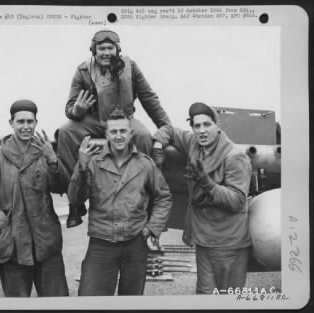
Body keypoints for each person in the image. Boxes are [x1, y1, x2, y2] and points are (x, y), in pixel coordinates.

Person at [56, 29, 171, 228]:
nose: (106, 52)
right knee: (65, 132)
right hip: (93, 119)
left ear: (117, 50)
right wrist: (77, 111)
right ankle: (74, 200)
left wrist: (165, 125)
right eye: (101, 48)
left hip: (123, 118)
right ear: (94, 50)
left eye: (110, 48)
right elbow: (70, 108)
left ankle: (147, 196)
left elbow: (148, 97)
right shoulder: (83, 71)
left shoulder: (131, 67)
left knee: (143, 136)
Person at [67, 109, 172, 296]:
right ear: (106, 134)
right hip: (101, 244)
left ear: (131, 133)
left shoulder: (145, 164)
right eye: (113, 132)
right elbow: (76, 199)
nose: (118, 136)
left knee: (131, 303)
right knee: (90, 301)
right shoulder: (92, 163)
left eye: (123, 131)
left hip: (135, 245)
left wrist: (152, 228)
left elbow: (163, 197)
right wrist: (81, 167)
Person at [152, 102, 252, 294]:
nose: (202, 131)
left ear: (217, 124)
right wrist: (157, 149)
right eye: (197, 126)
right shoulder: (194, 144)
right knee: (205, 297)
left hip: (228, 244)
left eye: (207, 124)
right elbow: (169, 130)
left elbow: (238, 200)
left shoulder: (234, 157)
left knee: (228, 300)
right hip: (204, 240)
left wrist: (207, 184)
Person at [0, 100, 69, 297]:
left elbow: (62, 187)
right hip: (13, 245)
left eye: (30, 121)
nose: (26, 126)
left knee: (57, 302)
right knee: (17, 303)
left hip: (46, 242)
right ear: (11, 123)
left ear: (36, 122)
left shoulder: (45, 151)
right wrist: (3, 224)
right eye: (21, 121)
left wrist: (52, 160)